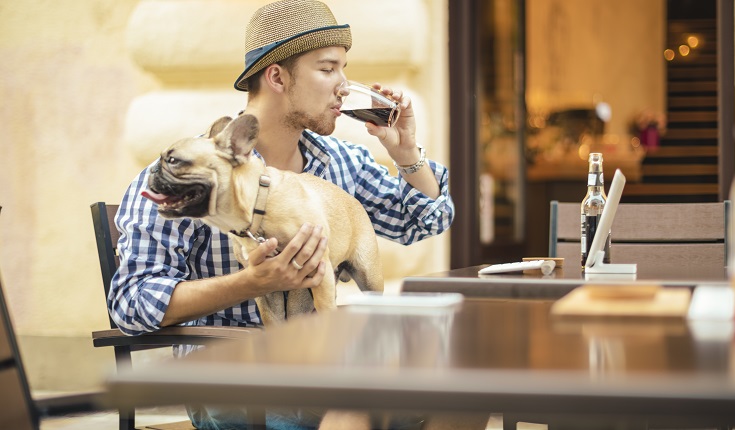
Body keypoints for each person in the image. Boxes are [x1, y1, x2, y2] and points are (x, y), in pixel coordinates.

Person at [109, 0, 485, 429]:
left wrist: (406, 154)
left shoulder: (340, 162)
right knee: (352, 403)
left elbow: (423, 221)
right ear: (277, 77)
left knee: (466, 393)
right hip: (233, 370)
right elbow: (131, 303)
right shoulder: (190, 177)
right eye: (328, 69)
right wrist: (252, 283)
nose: (343, 85)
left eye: (344, 69)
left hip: (329, 362)